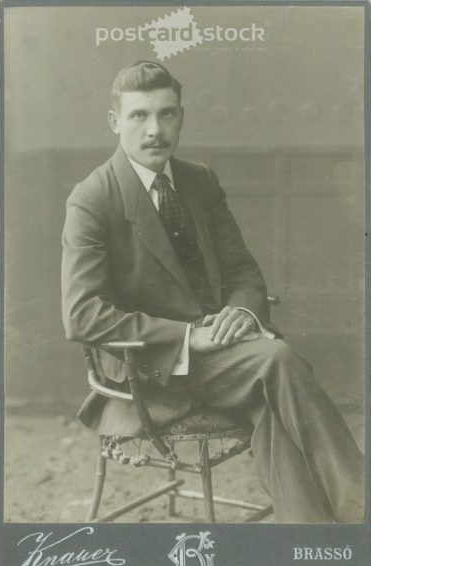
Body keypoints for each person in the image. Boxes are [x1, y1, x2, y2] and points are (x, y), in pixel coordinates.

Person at [61, 60, 364, 523]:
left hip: (224, 356)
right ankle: (365, 511)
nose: (155, 130)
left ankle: (315, 541)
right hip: (150, 370)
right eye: (139, 116)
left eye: (167, 114)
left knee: (272, 400)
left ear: (181, 116)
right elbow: (81, 314)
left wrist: (243, 314)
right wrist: (187, 338)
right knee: (276, 359)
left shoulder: (199, 181)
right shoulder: (93, 197)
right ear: (114, 122)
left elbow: (242, 269)